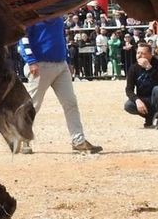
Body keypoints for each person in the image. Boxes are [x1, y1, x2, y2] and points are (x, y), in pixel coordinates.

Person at [16, 16, 103, 154]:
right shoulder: (32, 17)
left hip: (61, 64)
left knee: (70, 103)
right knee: (32, 105)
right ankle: (22, 139)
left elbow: (62, 39)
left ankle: (78, 140)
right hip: (40, 65)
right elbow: (23, 39)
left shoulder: (59, 17)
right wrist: (31, 61)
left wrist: (68, 60)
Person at [123, 42, 158, 128]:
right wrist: (137, 100)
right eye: (138, 53)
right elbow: (129, 89)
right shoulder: (133, 68)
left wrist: (149, 68)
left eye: (142, 53)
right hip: (144, 99)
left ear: (150, 55)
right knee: (128, 105)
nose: (139, 56)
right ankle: (149, 117)